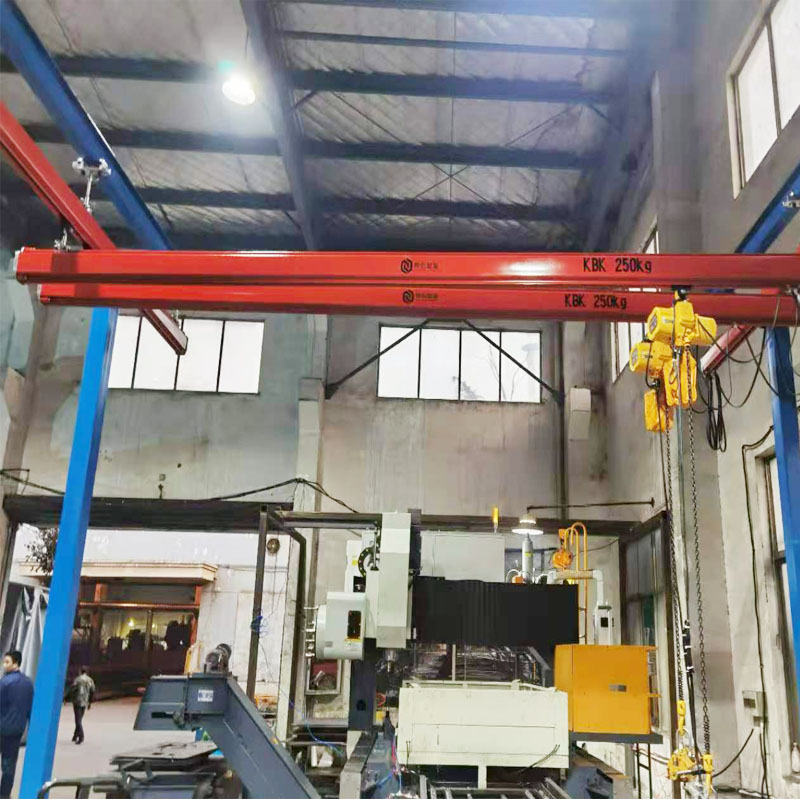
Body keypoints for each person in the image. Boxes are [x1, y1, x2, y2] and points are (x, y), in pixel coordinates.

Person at [0, 650, 34, 799]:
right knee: (9, 765)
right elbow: (30, 709)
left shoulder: (4, 683)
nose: (4, 665)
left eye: (7, 662)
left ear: (16, 663)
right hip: (17, 731)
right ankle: (4, 794)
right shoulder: (28, 684)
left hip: (2, 728)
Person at [70, 667, 95, 745]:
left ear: (80, 671)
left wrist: (67, 698)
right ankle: (75, 735)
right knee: (79, 719)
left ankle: (81, 736)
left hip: (77, 701)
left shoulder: (77, 679)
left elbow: (72, 689)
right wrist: (90, 702)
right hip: (85, 702)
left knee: (78, 720)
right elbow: (92, 691)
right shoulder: (90, 680)